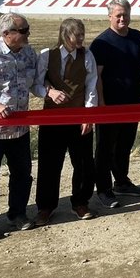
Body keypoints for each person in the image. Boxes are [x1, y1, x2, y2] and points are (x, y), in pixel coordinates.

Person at [0, 12, 57, 240]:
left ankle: (18, 214)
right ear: (6, 34)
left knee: (23, 174)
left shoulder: (29, 54)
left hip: (19, 129)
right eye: (23, 31)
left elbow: (35, 83)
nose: (28, 34)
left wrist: (49, 90)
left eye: (27, 29)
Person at [36, 17, 99, 224]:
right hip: (52, 119)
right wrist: (50, 92)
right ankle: (46, 207)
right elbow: (35, 84)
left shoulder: (87, 55)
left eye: (83, 34)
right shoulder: (47, 55)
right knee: (49, 164)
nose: (81, 38)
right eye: (77, 35)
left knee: (83, 163)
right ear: (65, 35)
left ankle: (81, 203)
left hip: (78, 117)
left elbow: (91, 87)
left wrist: (88, 117)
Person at [90, 0, 140, 207]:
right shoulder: (101, 43)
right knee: (105, 148)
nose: (123, 19)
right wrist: (102, 104)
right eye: (118, 16)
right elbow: (96, 77)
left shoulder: (136, 36)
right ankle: (104, 189)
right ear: (110, 17)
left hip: (132, 104)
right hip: (110, 106)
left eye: (125, 14)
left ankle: (122, 182)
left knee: (125, 145)